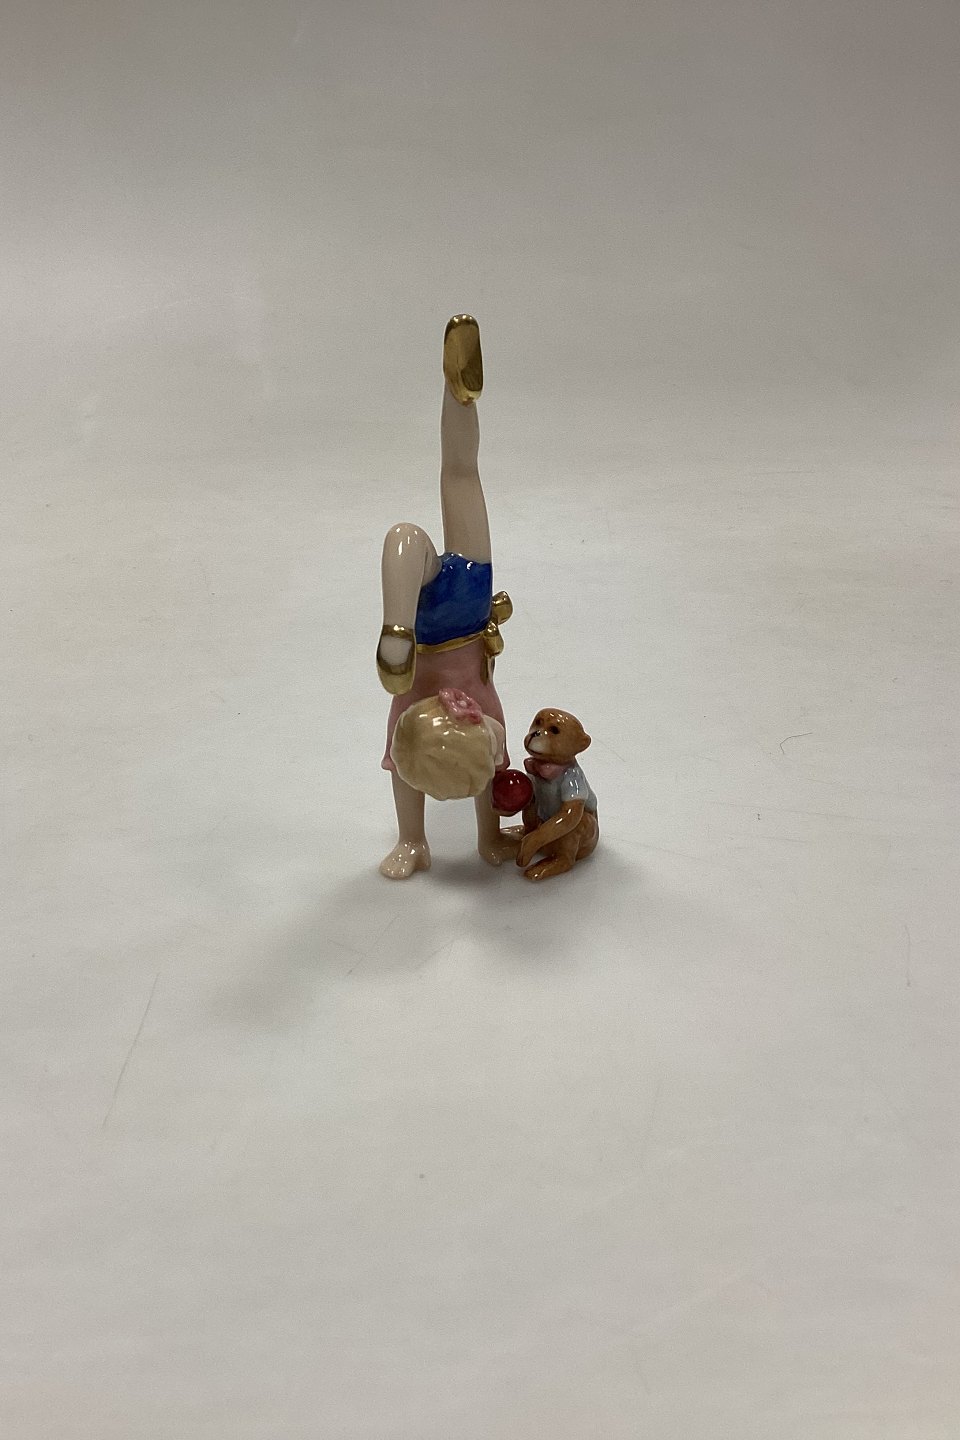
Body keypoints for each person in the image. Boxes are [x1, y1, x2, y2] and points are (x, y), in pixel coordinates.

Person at [376, 316, 518, 879]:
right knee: (461, 477)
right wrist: (492, 836)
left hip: (421, 629)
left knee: (407, 535)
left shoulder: (407, 712)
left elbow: (400, 769)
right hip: (471, 612)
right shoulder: (487, 720)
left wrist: (410, 839)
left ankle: (395, 630)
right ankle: (460, 392)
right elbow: (491, 770)